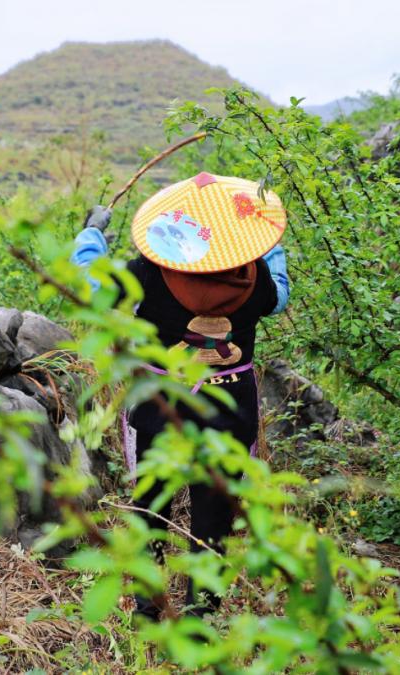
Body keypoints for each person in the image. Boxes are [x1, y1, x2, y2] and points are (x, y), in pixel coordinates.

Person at [72, 172, 290, 617]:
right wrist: (266, 245)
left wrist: (92, 233)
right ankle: (200, 616)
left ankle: (149, 608)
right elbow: (280, 298)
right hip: (231, 407)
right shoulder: (256, 276)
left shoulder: (149, 271)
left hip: (158, 406)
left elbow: (92, 288)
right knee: (215, 513)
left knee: (150, 504)